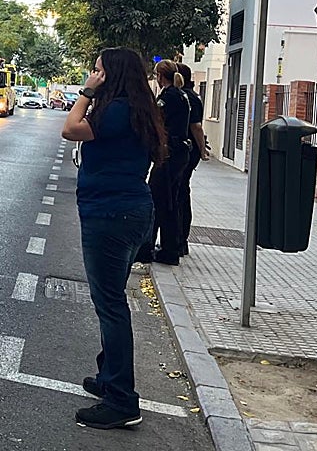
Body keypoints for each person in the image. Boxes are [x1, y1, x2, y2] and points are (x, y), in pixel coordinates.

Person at [62, 47, 165, 430]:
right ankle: (109, 379)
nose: (94, 74)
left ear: (113, 75)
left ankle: (122, 399)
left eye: (99, 70)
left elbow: (70, 128)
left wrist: (87, 92)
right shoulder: (136, 107)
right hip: (130, 211)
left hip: (111, 215)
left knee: (111, 306)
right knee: (112, 301)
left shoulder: (117, 109)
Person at [136, 60, 192, 266]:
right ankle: (170, 247)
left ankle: (151, 248)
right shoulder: (182, 95)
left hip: (170, 154)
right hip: (179, 153)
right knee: (170, 201)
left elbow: (157, 123)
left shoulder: (167, 98)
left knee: (157, 201)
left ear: (160, 76)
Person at [175, 63, 210, 256]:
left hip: (187, 150)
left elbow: (196, 127)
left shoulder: (187, 97)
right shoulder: (191, 96)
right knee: (180, 191)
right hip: (189, 149)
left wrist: (203, 150)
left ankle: (180, 240)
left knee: (180, 192)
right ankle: (179, 239)